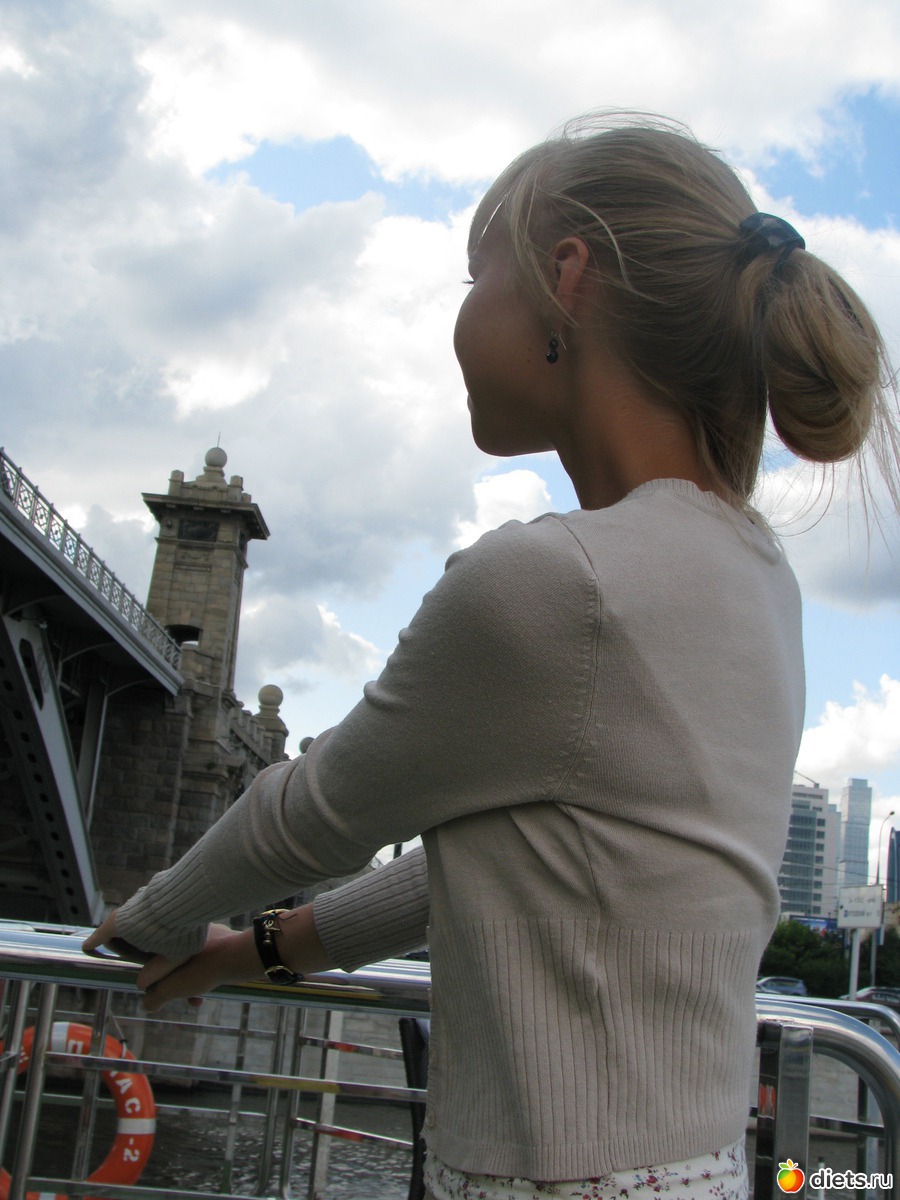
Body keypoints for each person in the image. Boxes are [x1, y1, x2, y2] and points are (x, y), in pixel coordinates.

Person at [84, 112, 899, 1200]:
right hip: (698, 1170)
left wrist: (147, 920)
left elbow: (311, 816)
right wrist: (258, 950)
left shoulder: (556, 582)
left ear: (567, 279)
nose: (463, 316)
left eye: (478, 278)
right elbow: (503, 864)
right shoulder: (758, 576)